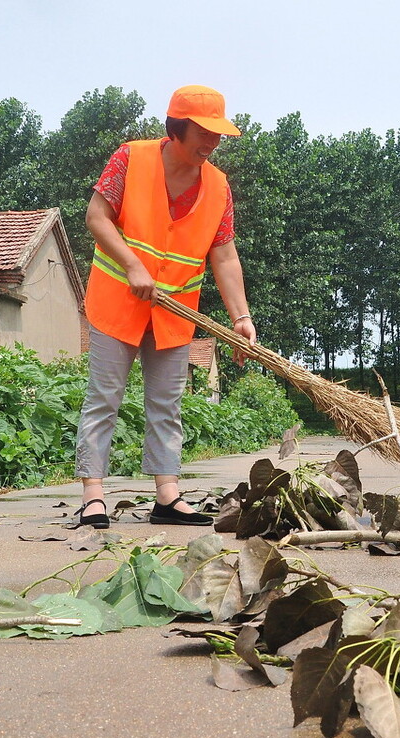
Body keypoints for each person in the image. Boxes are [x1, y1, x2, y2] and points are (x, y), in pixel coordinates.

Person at [74, 85, 255, 528]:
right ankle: (93, 496)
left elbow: (225, 255)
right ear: (177, 128)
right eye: (204, 132)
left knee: (166, 404)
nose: (212, 143)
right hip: (118, 303)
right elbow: (96, 217)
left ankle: (167, 496)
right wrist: (134, 266)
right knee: (104, 399)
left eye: (218, 135)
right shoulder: (130, 158)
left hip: (175, 312)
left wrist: (242, 319)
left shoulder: (218, 186)